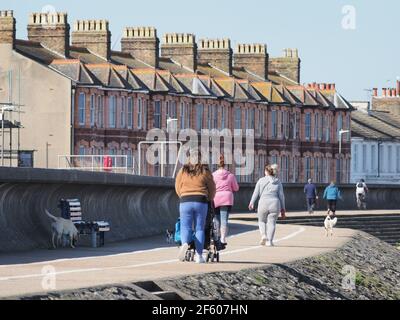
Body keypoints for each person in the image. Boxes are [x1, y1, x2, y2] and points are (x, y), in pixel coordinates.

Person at [175, 150, 216, 264]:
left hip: (185, 200)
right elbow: (212, 188)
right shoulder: (205, 170)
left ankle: (185, 243)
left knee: (185, 226)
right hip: (201, 200)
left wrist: (182, 196)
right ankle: (199, 255)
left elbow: (177, 186)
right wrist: (210, 198)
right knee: (199, 228)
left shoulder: (182, 170)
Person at [248, 164, 286, 247]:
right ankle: (270, 241)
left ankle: (263, 235)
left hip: (263, 203)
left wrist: (251, 202)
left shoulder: (261, 180)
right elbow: (281, 196)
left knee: (261, 221)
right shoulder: (278, 182)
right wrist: (283, 208)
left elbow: (256, 193)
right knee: (272, 223)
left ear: (266, 172)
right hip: (275, 203)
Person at [212, 155, 239, 245]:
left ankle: (216, 237)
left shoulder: (213, 175)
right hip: (227, 199)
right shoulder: (230, 176)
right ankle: (223, 238)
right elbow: (236, 188)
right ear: (226, 165)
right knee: (224, 220)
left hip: (216, 198)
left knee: (216, 218)